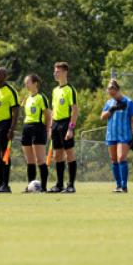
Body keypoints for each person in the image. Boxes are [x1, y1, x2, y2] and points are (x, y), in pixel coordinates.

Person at [100, 79, 133, 193]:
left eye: (112, 89)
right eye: (109, 90)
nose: (110, 92)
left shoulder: (128, 102)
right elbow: (102, 117)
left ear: (117, 89)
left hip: (124, 135)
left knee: (121, 157)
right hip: (112, 134)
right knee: (114, 160)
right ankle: (118, 185)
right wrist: (112, 110)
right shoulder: (109, 103)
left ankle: (124, 185)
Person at [49, 62, 78, 193]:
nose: (55, 73)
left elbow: (75, 110)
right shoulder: (55, 90)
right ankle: (59, 184)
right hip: (56, 124)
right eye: (55, 71)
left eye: (58, 71)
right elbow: (54, 109)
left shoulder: (70, 89)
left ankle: (71, 185)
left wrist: (71, 128)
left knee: (69, 154)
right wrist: (51, 127)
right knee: (57, 155)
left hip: (66, 123)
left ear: (65, 72)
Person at [21, 74, 51, 192]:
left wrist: (48, 130)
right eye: (25, 83)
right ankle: (30, 187)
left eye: (28, 82)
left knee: (40, 160)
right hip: (26, 128)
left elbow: (48, 115)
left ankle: (43, 187)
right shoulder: (27, 98)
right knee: (30, 160)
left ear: (35, 83)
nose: (26, 85)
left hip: (38, 128)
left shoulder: (41, 97)